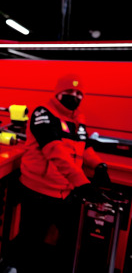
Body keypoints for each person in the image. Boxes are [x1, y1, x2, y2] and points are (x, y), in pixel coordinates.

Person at [14, 73, 111, 273]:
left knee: (66, 242)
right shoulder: (43, 114)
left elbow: (84, 147)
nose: (74, 96)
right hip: (38, 191)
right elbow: (54, 150)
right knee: (31, 240)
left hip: (66, 191)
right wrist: (82, 183)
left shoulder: (78, 119)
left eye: (78, 93)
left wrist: (99, 165)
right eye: (68, 92)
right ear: (58, 93)